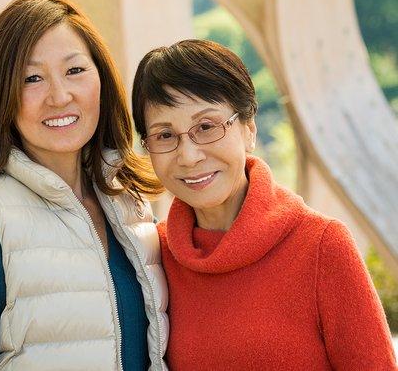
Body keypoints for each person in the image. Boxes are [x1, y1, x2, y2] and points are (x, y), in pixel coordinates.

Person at [0, 0, 169, 371]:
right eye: (32, 78)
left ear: (102, 80)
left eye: (75, 71)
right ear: (0, 97)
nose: (59, 96)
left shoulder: (132, 208)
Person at [131, 39, 397, 370]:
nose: (188, 155)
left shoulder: (322, 245)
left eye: (206, 127)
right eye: (165, 135)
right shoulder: (154, 256)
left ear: (249, 129)